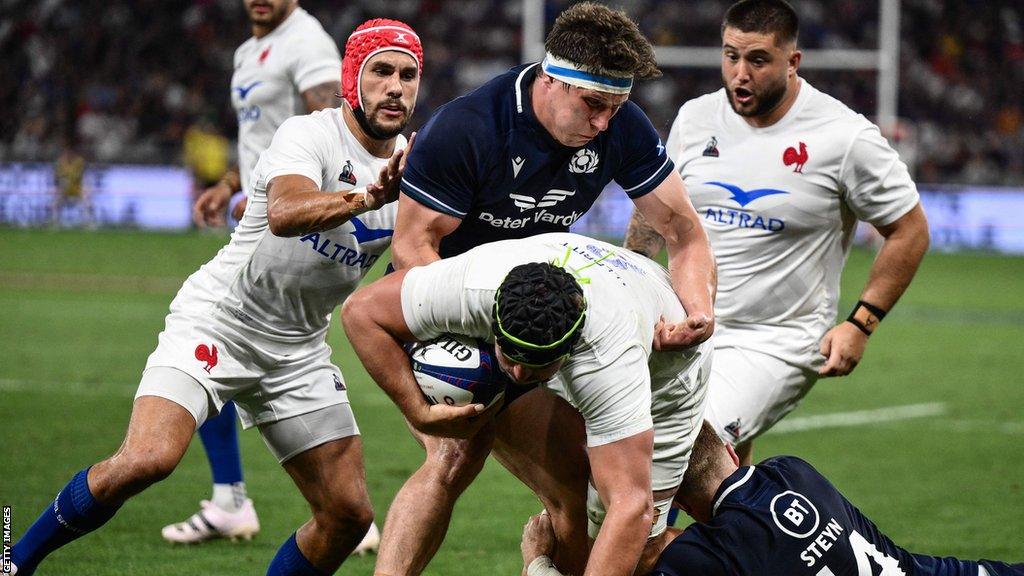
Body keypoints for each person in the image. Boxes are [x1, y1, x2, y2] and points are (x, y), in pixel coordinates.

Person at [4, 18, 421, 576]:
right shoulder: (310, 134)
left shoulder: (418, 169)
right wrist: (365, 198)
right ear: (352, 77)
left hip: (298, 349)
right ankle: (13, 561)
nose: (395, 86)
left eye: (409, 75)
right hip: (220, 320)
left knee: (347, 515)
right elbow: (284, 213)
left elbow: (410, 272)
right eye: (382, 71)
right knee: (147, 461)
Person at [378, 3, 717, 574]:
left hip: (548, 311)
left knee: (580, 490)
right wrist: (499, 338)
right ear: (552, 78)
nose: (605, 122)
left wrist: (697, 310)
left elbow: (682, 231)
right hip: (458, 313)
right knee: (456, 458)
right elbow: (412, 250)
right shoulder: (469, 127)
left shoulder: (620, 126)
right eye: (593, 105)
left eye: (617, 107)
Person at [624, 0, 930, 465]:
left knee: (674, 446)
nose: (740, 73)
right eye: (730, 56)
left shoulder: (844, 137)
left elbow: (910, 229)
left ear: (793, 62)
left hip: (777, 340)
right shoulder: (696, 118)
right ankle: (734, 536)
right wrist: (634, 291)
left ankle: (626, 539)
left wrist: (861, 323)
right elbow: (654, 211)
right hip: (687, 322)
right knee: (701, 470)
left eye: (758, 59)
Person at [342, 232, 714, 576]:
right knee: (474, 462)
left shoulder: (608, 363)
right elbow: (361, 312)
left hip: (668, 368)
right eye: (510, 354)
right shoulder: (476, 283)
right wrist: (418, 411)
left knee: (641, 552)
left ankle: (755, 550)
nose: (517, 374)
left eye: (534, 365)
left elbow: (631, 506)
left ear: (567, 352)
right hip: (601, 296)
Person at [168, 0, 351, 546]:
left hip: (289, 220)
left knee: (222, 337)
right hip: (258, 211)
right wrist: (230, 182)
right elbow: (260, 138)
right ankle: (239, 501)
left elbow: (335, 124)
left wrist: (295, 198)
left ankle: (331, 510)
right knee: (214, 345)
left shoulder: (307, 42)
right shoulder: (249, 50)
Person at [521, 422, 1024, 576]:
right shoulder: (793, 472)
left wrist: (538, 564)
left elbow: (647, 548)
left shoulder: (705, 558)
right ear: (733, 450)